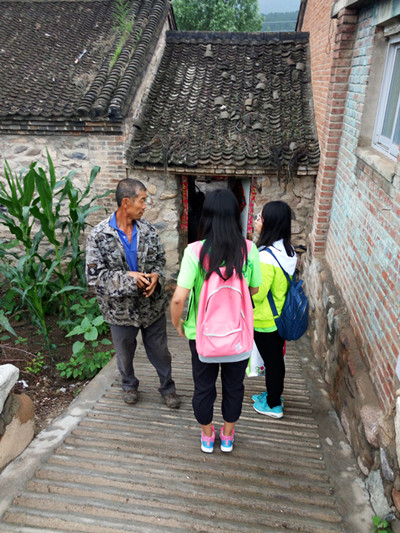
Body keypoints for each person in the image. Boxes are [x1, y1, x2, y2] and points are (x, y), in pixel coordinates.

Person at [170, 189, 261, 453]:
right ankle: (228, 436)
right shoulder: (249, 249)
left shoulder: (194, 252)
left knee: (203, 388)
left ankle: (208, 436)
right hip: (239, 334)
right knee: (234, 387)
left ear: (206, 216)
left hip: (201, 335)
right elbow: (255, 289)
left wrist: (178, 324)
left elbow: (178, 299)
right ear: (235, 216)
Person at [86, 178, 180, 409]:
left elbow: (160, 260)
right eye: (142, 201)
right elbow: (95, 277)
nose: (145, 206)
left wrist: (156, 276)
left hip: (152, 307)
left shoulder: (147, 230)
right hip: (120, 312)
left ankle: (168, 388)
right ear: (126, 202)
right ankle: (129, 385)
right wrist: (130, 279)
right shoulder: (98, 235)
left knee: (161, 352)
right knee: (124, 354)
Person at [251, 201, 297, 419]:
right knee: (276, 359)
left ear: (271, 223)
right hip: (281, 316)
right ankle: (274, 394)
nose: (256, 221)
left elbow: (257, 294)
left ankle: (273, 404)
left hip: (265, 319)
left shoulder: (266, 257)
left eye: (260, 218)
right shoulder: (288, 250)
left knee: (272, 363)